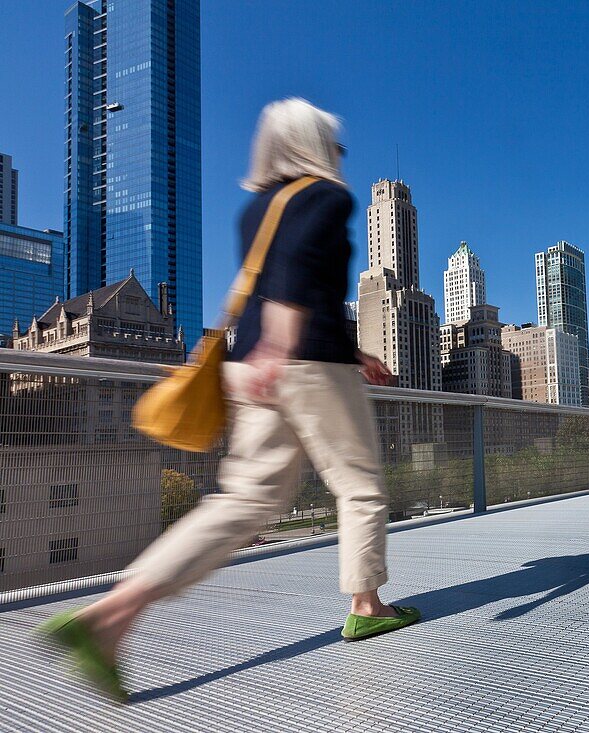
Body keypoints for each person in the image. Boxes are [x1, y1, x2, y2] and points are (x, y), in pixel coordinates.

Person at [39, 98, 419, 703]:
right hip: (300, 363)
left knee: (244, 502)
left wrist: (331, 352)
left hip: (252, 369)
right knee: (360, 485)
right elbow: (298, 275)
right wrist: (289, 344)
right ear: (316, 146)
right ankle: (367, 603)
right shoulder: (327, 196)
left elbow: (274, 280)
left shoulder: (255, 211)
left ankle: (112, 613)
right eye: (334, 144)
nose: (339, 156)